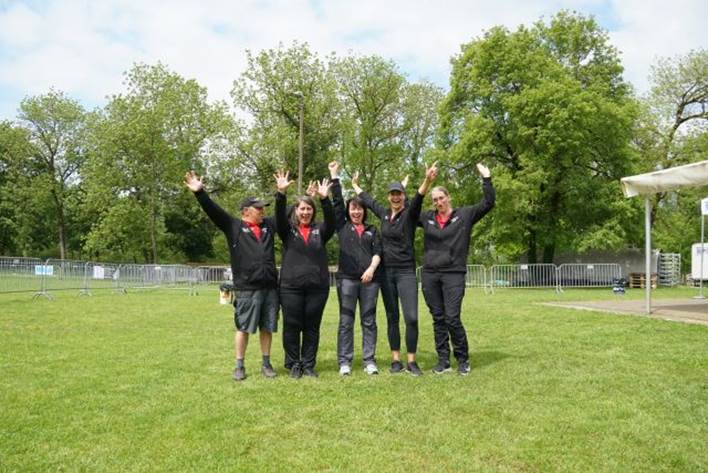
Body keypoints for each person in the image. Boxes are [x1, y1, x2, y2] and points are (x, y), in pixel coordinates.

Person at [184, 170, 278, 381]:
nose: (263, 211)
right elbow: (214, 212)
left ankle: (266, 363)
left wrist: (281, 193)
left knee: (267, 327)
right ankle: (239, 366)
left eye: (263, 208)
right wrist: (200, 193)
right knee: (243, 327)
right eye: (259, 208)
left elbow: (283, 213)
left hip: (269, 287)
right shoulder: (234, 226)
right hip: (246, 288)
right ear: (246, 211)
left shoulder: (268, 227)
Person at [351, 163, 438, 376]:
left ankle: (412, 361)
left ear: (403, 196)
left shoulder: (409, 215)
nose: (396, 197)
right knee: (392, 317)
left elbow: (418, 199)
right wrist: (355, 185)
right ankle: (396, 359)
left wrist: (427, 180)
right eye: (392, 194)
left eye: (399, 194)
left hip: (406, 272)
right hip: (386, 273)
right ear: (389, 197)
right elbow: (369, 202)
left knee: (412, 318)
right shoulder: (383, 214)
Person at [419, 163, 495, 375]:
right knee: (438, 318)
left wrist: (486, 178)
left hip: (454, 274)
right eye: (434, 200)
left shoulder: (465, 215)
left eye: (441, 198)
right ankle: (443, 360)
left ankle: (462, 359)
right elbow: (411, 208)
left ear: (448, 197)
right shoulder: (427, 218)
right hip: (431, 274)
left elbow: (488, 202)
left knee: (452, 317)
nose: (438, 202)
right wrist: (427, 181)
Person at [274, 170, 335, 378]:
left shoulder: (321, 231)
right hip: (290, 288)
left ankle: (308, 364)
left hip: (317, 288)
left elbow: (333, 221)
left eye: (309, 209)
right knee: (291, 326)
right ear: (296, 211)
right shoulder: (287, 231)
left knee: (312, 326)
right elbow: (279, 217)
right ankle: (293, 364)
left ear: (313, 211)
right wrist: (281, 194)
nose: (305, 212)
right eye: (302, 209)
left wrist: (325, 198)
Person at [328, 161, 383, 376]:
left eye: (359, 208)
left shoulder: (372, 229)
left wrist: (371, 269)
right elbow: (337, 203)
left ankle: (369, 360)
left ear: (364, 210)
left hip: (370, 281)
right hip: (347, 281)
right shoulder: (342, 226)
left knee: (369, 321)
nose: (356, 211)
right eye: (353, 208)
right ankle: (345, 362)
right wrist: (335, 176)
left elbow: (378, 252)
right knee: (346, 321)